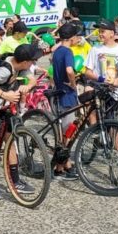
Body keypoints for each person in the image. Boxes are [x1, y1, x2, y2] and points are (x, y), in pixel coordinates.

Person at [0, 45, 40, 200]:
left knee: (10, 139)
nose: (33, 63)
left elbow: (32, 80)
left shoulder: (20, 66)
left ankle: (16, 180)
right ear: (24, 62)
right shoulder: (6, 70)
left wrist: (27, 86)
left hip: (4, 107)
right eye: (32, 61)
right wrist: (5, 94)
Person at [50, 23, 81, 180]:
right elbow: (69, 70)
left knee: (63, 132)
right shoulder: (68, 51)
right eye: (77, 36)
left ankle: (62, 166)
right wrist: (74, 84)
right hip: (67, 95)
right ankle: (61, 168)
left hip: (57, 93)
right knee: (68, 132)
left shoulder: (56, 52)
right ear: (71, 37)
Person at [85, 21, 118, 87]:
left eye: (103, 31)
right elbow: (87, 72)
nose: (100, 34)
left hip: (115, 92)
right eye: (99, 31)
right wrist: (100, 79)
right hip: (99, 91)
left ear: (112, 33)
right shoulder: (95, 49)